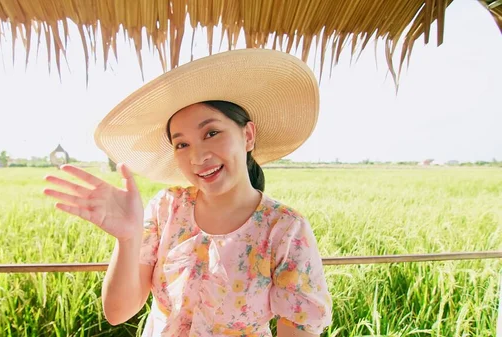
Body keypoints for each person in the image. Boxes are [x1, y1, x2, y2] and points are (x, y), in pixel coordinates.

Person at [44, 49, 332, 337]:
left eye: (211, 134)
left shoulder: (283, 228)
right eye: (182, 145)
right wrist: (128, 238)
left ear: (247, 135)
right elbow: (119, 312)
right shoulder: (167, 208)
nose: (197, 157)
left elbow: (298, 328)